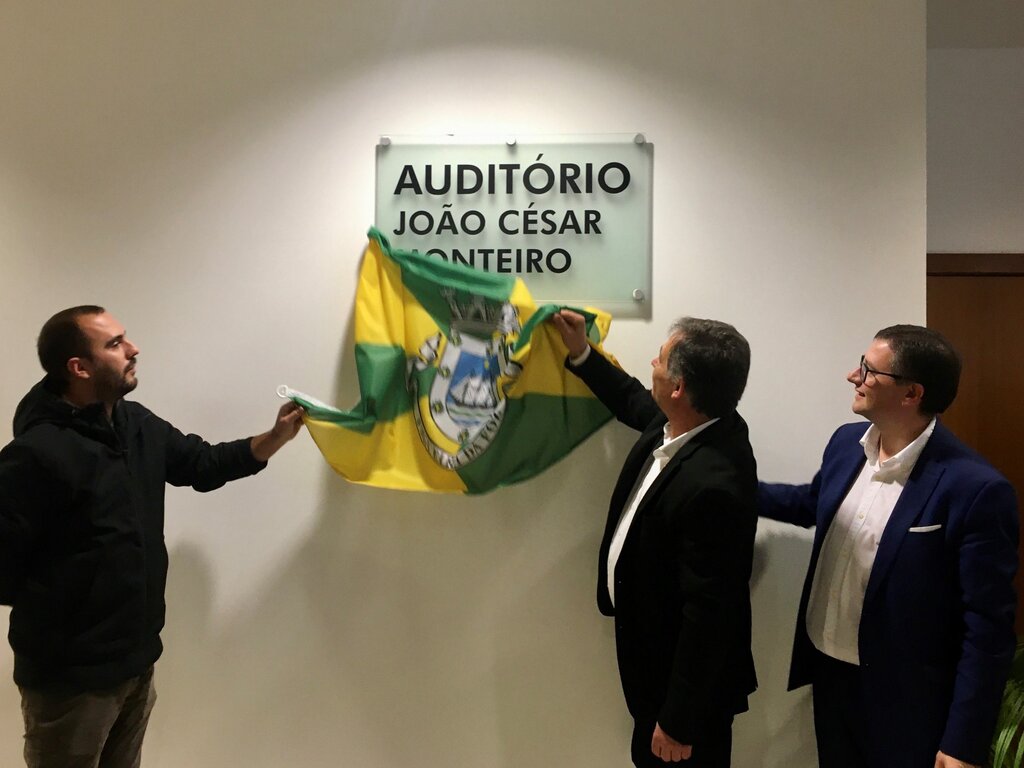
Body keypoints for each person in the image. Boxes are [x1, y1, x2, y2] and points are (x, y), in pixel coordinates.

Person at [0, 305, 304, 768]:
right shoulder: (37, 454)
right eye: (115, 344)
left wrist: (276, 436)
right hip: (70, 682)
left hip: (137, 664)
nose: (133, 349)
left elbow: (202, 465)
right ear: (79, 368)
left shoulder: (136, 425)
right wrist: (71, 606)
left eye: (125, 338)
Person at [759, 325, 1018, 768]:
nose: (853, 376)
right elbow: (814, 503)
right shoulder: (846, 444)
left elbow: (987, 628)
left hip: (907, 703)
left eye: (868, 370)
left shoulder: (975, 489)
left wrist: (962, 742)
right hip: (829, 676)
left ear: (911, 393)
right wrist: (732, 489)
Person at [552, 310, 758, 768]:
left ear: (679, 387)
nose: (652, 364)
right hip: (656, 672)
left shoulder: (715, 484)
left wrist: (679, 721)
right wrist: (581, 352)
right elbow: (631, 400)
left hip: (686, 700)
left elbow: (710, 614)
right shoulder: (692, 422)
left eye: (660, 359)